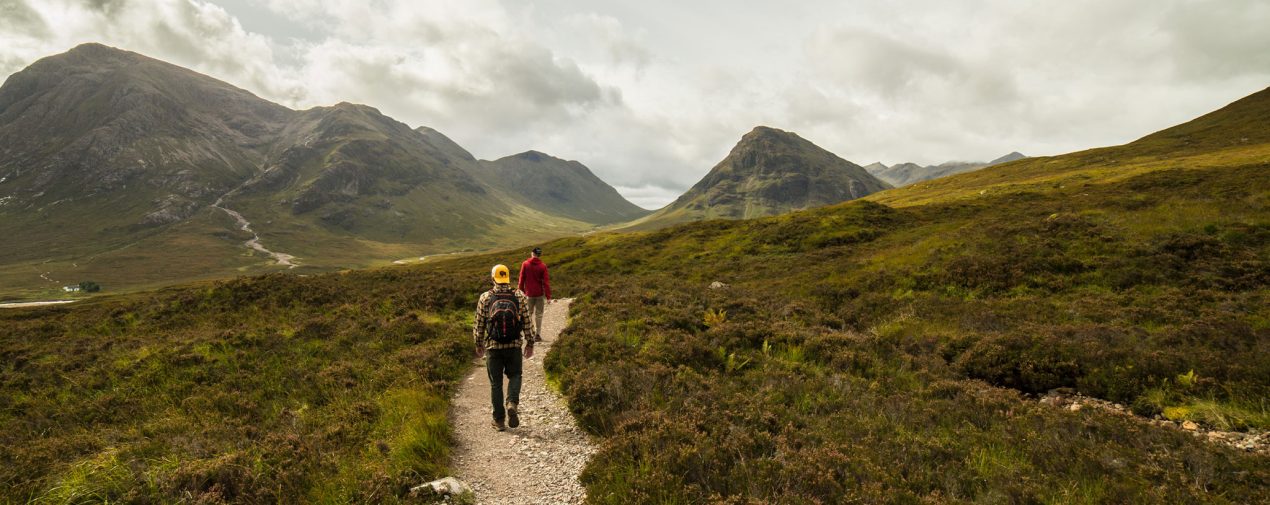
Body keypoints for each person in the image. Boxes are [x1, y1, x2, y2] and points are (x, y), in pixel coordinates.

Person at [473, 264, 538, 431]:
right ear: (508, 278)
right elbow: (527, 322)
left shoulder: (485, 297)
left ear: (493, 278)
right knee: (515, 375)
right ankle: (512, 403)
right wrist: (530, 343)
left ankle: (499, 421)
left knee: (496, 384)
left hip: (493, 347)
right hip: (514, 345)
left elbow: (479, 324)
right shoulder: (519, 296)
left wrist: (478, 343)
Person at [517, 247, 551, 342]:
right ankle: (538, 334)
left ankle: (529, 334)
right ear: (539, 255)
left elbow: (521, 279)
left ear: (532, 253)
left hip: (528, 294)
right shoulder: (543, 266)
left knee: (528, 314)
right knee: (539, 314)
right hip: (539, 294)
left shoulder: (525, 264)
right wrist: (548, 297)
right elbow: (546, 283)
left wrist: (520, 292)